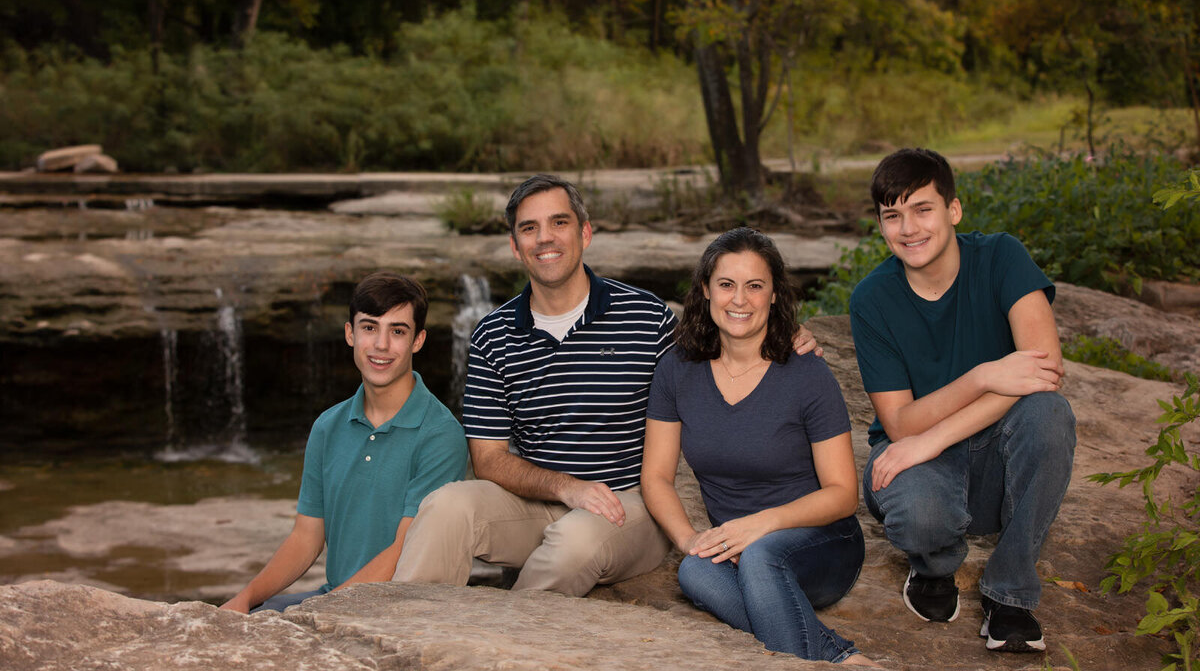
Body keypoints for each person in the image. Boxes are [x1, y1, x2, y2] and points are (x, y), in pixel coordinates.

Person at [393, 174, 819, 596]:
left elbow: (724, 355)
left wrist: (783, 337)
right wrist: (565, 487)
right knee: (445, 505)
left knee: (574, 542)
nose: (545, 238)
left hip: (629, 504)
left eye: (559, 223)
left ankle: (499, 646)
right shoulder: (493, 334)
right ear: (514, 245)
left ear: (585, 232)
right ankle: (407, 631)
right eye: (529, 228)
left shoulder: (647, 318)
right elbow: (487, 460)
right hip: (534, 504)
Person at [849, 148, 1075, 653]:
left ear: (953, 210)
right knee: (920, 511)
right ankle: (933, 566)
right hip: (921, 466)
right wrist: (984, 375)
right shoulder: (872, 299)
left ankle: (1009, 593)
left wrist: (927, 439)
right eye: (893, 215)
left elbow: (1044, 372)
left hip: (993, 459)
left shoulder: (1001, 257)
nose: (908, 228)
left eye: (922, 209)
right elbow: (900, 422)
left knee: (1049, 414)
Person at [642, 227, 874, 666]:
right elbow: (655, 477)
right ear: (706, 290)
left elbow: (844, 494)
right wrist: (688, 538)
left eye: (755, 286)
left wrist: (762, 525)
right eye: (727, 284)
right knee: (694, 570)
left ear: (773, 295)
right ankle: (833, 655)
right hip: (737, 550)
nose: (739, 300)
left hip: (821, 544)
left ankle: (828, 653)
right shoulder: (677, 369)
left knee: (761, 556)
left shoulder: (806, 373)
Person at [221, 272, 468, 613]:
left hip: (405, 610)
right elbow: (306, 538)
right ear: (350, 334)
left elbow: (404, 551)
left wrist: (322, 611)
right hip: (335, 596)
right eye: (369, 327)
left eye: (397, 331)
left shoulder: (440, 434)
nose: (381, 345)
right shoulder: (328, 426)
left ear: (418, 340)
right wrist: (245, 599)